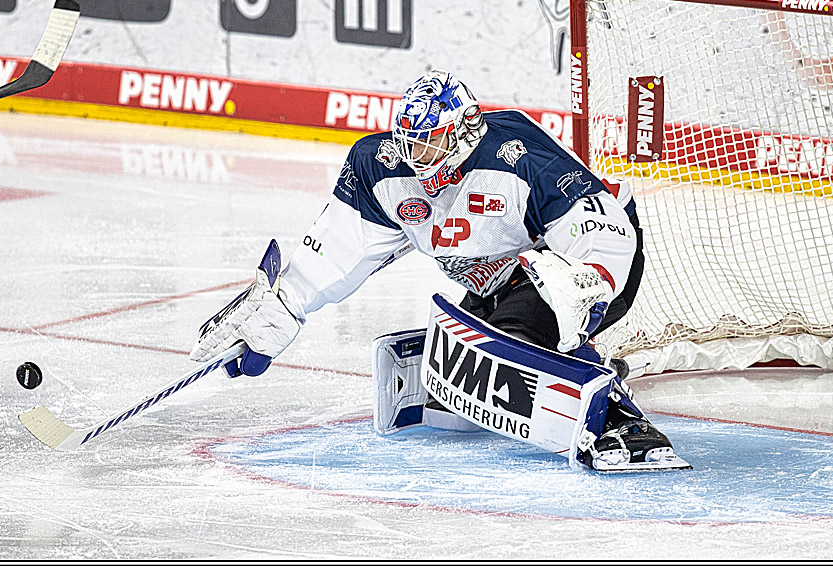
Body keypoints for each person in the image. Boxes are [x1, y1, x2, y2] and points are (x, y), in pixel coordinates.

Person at [190, 70, 684, 472]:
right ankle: (526, 351)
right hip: (498, 277)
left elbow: (607, 229)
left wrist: (588, 281)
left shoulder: (519, 158)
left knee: (510, 351)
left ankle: (613, 407)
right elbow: (340, 250)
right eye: (410, 144)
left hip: (585, 261)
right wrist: (283, 307)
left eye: (430, 145)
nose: (416, 159)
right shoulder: (381, 168)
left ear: (466, 129)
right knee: (461, 365)